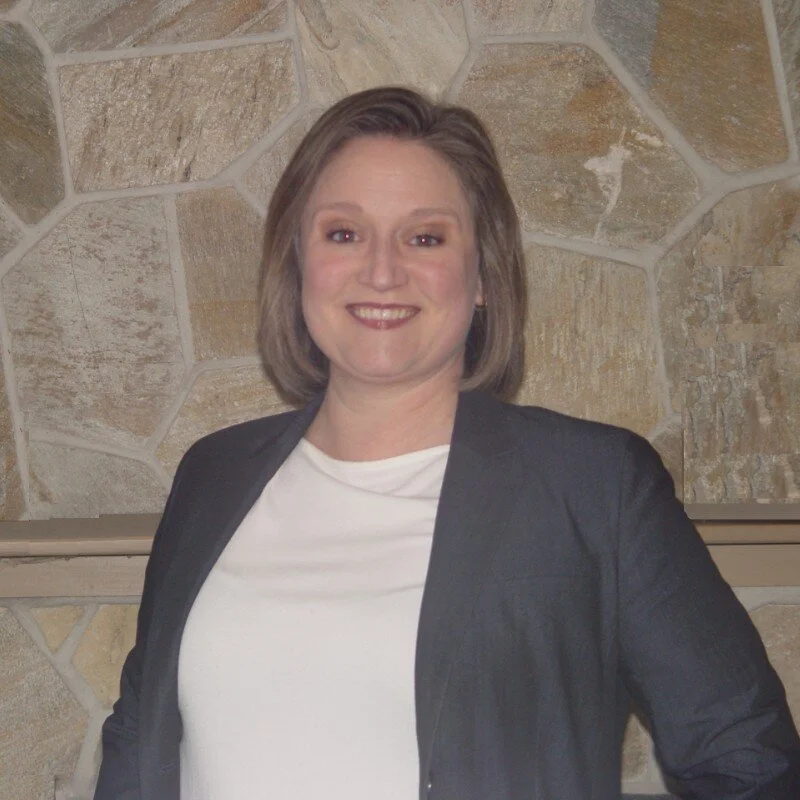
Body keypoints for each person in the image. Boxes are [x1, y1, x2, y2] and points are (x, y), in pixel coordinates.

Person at [94, 86, 800, 800]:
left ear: (484, 274)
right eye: (344, 233)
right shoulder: (212, 474)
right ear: (297, 260)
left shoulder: (594, 488)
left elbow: (751, 765)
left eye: (425, 237)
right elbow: (137, 737)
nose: (381, 271)